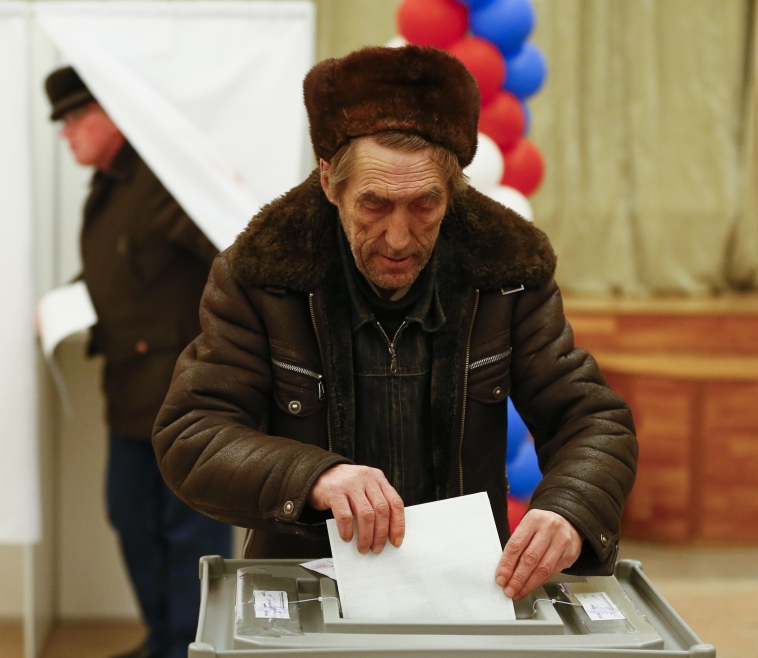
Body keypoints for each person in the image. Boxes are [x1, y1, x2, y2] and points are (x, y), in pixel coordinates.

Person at [152, 46, 638, 602]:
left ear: (452, 190)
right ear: (331, 182)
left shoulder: (508, 271)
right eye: (375, 205)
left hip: (469, 589)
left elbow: (593, 419)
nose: (400, 238)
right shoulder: (259, 275)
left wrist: (570, 508)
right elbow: (192, 434)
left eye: (425, 205)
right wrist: (315, 477)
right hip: (304, 584)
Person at [44, 66, 231, 658]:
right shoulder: (109, 187)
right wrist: (66, 302)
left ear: (110, 115)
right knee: (130, 519)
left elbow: (230, 258)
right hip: (128, 396)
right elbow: (126, 270)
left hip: (185, 401)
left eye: (75, 118)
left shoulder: (161, 180)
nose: (66, 133)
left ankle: (192, 646)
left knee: (189, 531)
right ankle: (162, 639)